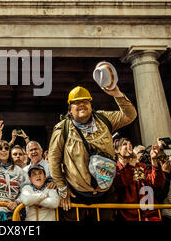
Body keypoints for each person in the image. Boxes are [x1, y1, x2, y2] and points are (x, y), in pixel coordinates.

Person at [48, 85, 137, 221]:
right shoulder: (62, 129)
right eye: (76, 102)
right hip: (76, 194)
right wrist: (62, 189)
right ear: (70, 109)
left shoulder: (104, 119)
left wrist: (117, 94)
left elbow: (130, 115)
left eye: (85, 101)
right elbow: (54, 161)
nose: (82, 105)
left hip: (106, 192)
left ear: (91, 105)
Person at [114, 138, 165, 221]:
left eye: (130, 144)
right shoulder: (115, 168)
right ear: (116, 150)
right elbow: (123, 182)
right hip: (126, 218)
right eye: (124, 144)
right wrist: (131, 165)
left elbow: (157, 182)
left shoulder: (140, 166)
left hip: (149, 216)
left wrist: (154, 160)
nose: (128, 146)